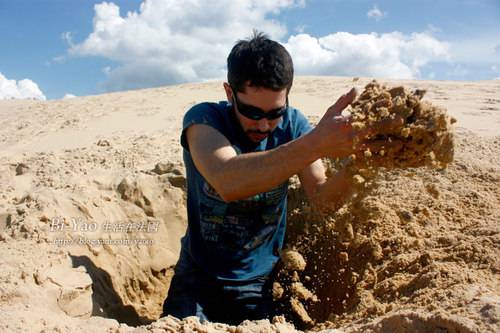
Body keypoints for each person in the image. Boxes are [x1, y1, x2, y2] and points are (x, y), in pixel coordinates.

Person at [162, 31, 399, 324]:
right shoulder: (205, 120)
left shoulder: (294, 125)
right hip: (198, 275)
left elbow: (324, 200)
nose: (263, 125)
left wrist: (359, 161)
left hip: (260, 281)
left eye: (276, 112)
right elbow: (227, 180)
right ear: (228, 92)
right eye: (251, 111)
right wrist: (316, 143)